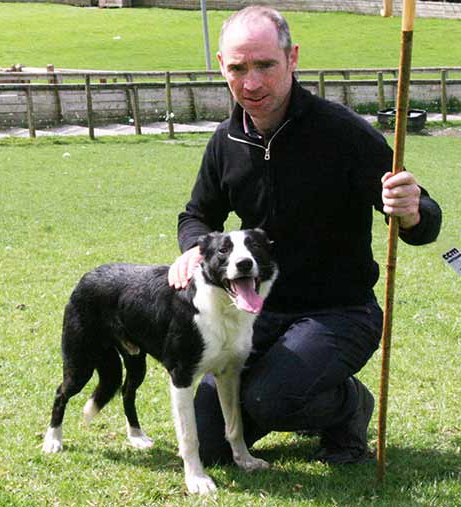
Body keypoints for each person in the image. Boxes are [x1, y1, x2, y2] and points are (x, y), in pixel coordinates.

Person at [167, 5, 442, 466]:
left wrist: (412, 211)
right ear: (221, 65)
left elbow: (420, 218)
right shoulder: (225, 141)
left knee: (268, 400)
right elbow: (195, 216)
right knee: (213, 444)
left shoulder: (342, 133)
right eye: (237, 68)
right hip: (253, 315)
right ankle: (284, 392)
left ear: (292, 58)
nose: (251, 83)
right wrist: (196, 248)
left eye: (265, 66)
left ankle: (349, 406)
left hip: (340, 312)